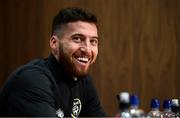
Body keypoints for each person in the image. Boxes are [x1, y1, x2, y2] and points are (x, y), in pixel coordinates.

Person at [0, 7, 106, 117]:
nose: (87, 49)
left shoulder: (83, 80)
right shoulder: (32, 79)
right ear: (54, 43)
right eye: (77, 39)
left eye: (93, 41)